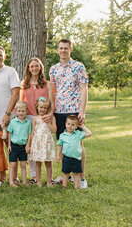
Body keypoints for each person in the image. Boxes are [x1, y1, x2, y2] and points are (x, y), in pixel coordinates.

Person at [50, 38, 89, 188]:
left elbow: (84, 89)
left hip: (74, 110)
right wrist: (52, 110)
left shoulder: (79, 67)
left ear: (70, 49)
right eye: (61, 48)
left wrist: (82, 111)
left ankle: (81, 177)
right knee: (65, 144)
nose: (63, 51)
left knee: (78, 143)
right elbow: (53, 91)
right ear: (58, 50)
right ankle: (67, 173)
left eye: (66, 48)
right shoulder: (53, 69)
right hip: (59, 111)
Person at [20, 57, 55, 184]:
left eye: (37, 66)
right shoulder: (24, 83)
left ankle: (48, 177)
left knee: (43, 145)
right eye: (32, 66)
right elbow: (21, 102)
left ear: (40, 68)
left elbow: (51, 101)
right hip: (29, 117)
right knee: (31, 147)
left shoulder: (47, 84)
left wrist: (50, 115)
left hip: (43, 117)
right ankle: (34, 176)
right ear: (28, 69)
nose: (34, 68)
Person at [26, 97, 56, 187]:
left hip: (47, 143)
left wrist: (48, 123)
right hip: (38, 143)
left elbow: (54, 130)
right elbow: (32, 132)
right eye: (41, 107)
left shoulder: (51, 117)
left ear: (48, 109)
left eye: (45, 108)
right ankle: (38, 182)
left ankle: (49, 182)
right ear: (37, 107)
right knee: (38, 163)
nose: (42, 109)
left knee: (48, 163)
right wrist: (29, 145)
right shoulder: (35, 118)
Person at [56, 115, 92, 189]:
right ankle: (64, 186)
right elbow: (59, 145)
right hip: (66, 158)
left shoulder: (78, 134)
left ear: (76, 126)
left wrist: (82, 126)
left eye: (73, 125)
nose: (70, 126)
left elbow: (89, 133)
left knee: (76, 173)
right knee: (65, 173)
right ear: (65, 124)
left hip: (76, 158)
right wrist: (57, 156)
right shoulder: (62, 135)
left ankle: (77, 187)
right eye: (68, 124)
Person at [6, 101, 32, 187]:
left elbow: (29, 134)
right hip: (14, 145)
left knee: (23, 164)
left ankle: (24, 182)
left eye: (23, 111)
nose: (21, 113)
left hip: (23, 146)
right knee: (13, 164)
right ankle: (11, 182)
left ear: (26, 111)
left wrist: (28, 145)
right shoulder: (13, 122)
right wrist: (9, 145)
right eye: (19, 111)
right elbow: (9, 133)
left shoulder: (28, 123)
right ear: (16, 111)